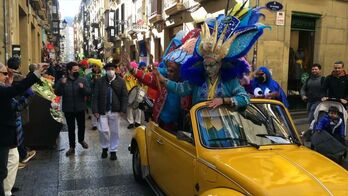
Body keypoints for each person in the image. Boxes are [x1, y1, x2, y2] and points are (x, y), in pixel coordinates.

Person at [0, 62, 47, 196]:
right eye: (4, 74)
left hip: (8, 135)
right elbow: (17, 90)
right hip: (3, 135)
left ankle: (7, 188)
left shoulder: (4, 88)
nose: (7, 76)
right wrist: (36, 74)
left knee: (12, 160)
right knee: (2, 170)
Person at [92, 62, 128, 160]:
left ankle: (113, 150)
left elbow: (124, 96)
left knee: (115, 131)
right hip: (102, 110)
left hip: (115, 110)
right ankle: (104, 147)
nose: (110, 71)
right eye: (108, 69)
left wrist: (123, 109)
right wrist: (95, 110)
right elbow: (95, 96)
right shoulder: (100, 81)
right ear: (105, 70)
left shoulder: (121, 81)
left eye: (112, 69)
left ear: (115, 70)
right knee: (103, 130)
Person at [54, 62, 91, 157]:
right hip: (68, 108)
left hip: (80, 108)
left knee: (81, 126)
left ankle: (81, 140)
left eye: (77, 70)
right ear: (69, 71)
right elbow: (57, 93)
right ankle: (72, 147)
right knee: (71, 128)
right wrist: (62, 84)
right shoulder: (63, 80)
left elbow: (88, 92)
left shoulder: (82, 80)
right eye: (74, 70)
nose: (76, 71)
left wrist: (83, 89)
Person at [85, 59, 104, 130]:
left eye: (96, 66)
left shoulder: (103, 74)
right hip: (92, 95)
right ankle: (94, 124)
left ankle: (100, 122)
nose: (95, 68)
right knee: (93, 109)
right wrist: (91, 81)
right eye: (94, 66)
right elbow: (86, 84)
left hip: (101, 95)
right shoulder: (88, 75)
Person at [124, 62, 142, 129]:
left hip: (137, 91)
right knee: (129, 107)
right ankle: (131, 122)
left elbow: (141, 82)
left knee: (138, 107)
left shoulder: (138, 74)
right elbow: (125, 83)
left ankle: (137, 122)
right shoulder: (126, 75)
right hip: (130, 92)